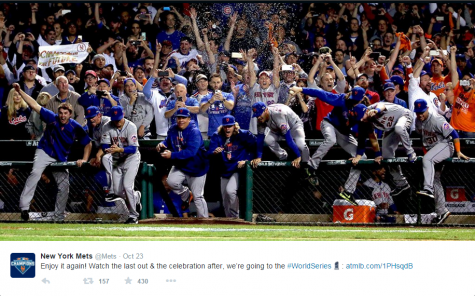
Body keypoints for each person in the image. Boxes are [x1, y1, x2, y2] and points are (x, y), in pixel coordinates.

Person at [13, 83, 91, 221]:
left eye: (65, 113)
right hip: (45, 151)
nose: (62, 116)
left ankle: (59, 216)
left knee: (64, 185)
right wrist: (20, 91)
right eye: (60, 113)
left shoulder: (75, 126)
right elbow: (34, 105)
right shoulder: (52, 118)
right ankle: (24, 208)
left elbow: (88, 143)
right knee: (35, 173)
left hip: (60, 157)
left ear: (70, 114)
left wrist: (84, 159)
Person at [289, 86, 366, 205]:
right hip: (329, 123)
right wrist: (301, 89)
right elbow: (320, 93)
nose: (352, 100)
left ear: (361, 100)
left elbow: (362, 136)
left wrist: (358, 155)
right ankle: (311, 167)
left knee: (363, 157)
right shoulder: (342, 99)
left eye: (355, 100)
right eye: (352, 97)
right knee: (330, 139)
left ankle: (348, 191)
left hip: (343, 133)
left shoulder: (363, 111)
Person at [413, 99, 470, 224]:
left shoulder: (436, 119)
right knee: (435, 179)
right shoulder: (418, 121)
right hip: (433, 149)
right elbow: (424, 140)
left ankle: (427, 189)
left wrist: (458, 151)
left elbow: (454, 134)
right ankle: (441, 211)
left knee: (428, 160)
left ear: (427, 108)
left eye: (422, 112)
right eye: (418, 112)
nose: (420, 115)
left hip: (445, 145)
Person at [353, 102, 417, 197]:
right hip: (391, 128)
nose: (362, 120)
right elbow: (373, 139)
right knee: (387, 155)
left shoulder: (373, 109)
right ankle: (402, 184)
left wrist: (376, 110)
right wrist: (378, 155)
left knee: (399, 128)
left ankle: (411, 153)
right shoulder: (364, 122)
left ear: (366, 111)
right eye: (360, 119)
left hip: (404, 116)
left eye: (363, 116)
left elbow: (381, 106)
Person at [157, 108, 209, 218]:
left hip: (197, 167)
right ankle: (185, 193)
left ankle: (204, 221)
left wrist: (172, 155)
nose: (181, 120)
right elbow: (168, 140)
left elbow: (191, 152)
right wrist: (162, 143)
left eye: (184, 118)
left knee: (198, 196)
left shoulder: (194, 131)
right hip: (181, 165)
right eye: (179, 118)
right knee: (171, 182)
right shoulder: (173, 129)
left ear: (189, 119)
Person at [208, 115, 256, 218]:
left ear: (234, 126)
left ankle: (236, 217)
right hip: (224, 169)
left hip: (237, 169)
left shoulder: (242, 134)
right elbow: (209, 153)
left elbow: (256, 146)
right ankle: (230, 219)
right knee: (225, 199)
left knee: (230, 191)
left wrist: (247, 160)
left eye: (230, 126)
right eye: (225, 126)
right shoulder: (217, 136)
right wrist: (214, 152)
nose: (227, 128)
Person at [101, 105, 142, 224]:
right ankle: (135, 197)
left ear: (123, 115)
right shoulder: (107, 126)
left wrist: (120, 150)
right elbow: (104, 145)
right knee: (118, 192)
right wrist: (109, 149)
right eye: (114, 119)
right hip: (116, 159)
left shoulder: (131, 126)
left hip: (131, 158)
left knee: (127, 186)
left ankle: (134, 216)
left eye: (118, 119)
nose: (117, 122)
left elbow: (133, 149)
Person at [250, 102, 309, 169]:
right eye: (257, 116)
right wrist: (258, 157)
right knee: (268, 140)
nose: (258, 117)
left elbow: (288, 139)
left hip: (294, 126)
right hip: (277, 128)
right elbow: (260, 139)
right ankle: (283, 157)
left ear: (266, 110)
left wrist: (298, 156)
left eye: (260, 114)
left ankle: (307, 166)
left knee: (300, 144)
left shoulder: (278, 115)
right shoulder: (261, 119)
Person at [200, 73, 235, 138]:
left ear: (221, 83)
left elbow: (231, 107)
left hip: (226, 131)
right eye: (214, 82)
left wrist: (223, 100)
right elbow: (202, 109)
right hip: (212, 132)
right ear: (210, 83)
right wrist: (211, 101)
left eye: (218, 82)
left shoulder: (228, 95)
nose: (216, 85)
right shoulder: (206, 98)